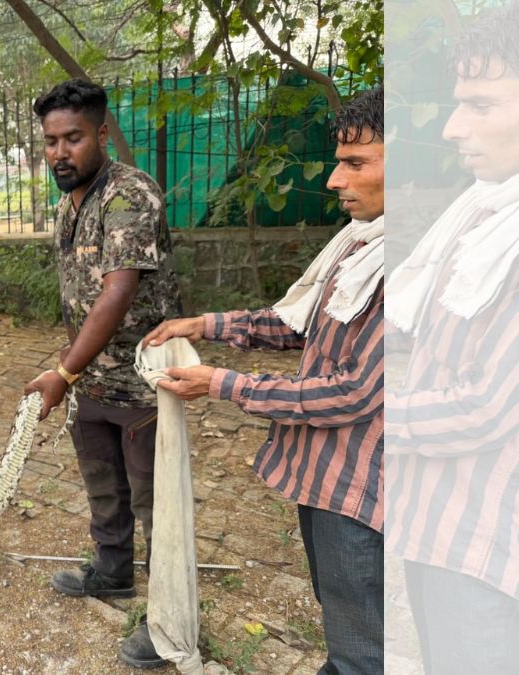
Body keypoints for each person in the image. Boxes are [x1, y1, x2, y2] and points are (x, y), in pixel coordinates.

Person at [145, 87, 386, 673]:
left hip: (360, 491)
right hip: (326, 479)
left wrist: (221, 384)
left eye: (356, 164)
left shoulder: (410, 262)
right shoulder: (358, 246)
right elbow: (296, 323)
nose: (334, 180)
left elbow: (353, 391)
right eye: (338, 161)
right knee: (345, 624)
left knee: (362, 651)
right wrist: (205, 323)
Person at [23, 79, 182, 670]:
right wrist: (75, 375)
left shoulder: (128, 196)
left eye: (73, 138)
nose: (60, 152)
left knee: (155, 510)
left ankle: (169, 625)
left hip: (142, 384)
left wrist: (62, 371)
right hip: (93, 384)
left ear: (101, 133)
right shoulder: (72, 202)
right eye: (50, 141)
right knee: (104, 492)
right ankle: (112, 574)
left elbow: (116, 293)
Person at [384, 7, 519, 671]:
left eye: (480, 104)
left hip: (483, 552)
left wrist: (364, 413)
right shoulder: (483, 210)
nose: (452, 126)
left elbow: (485, 407)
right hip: (437, 528)